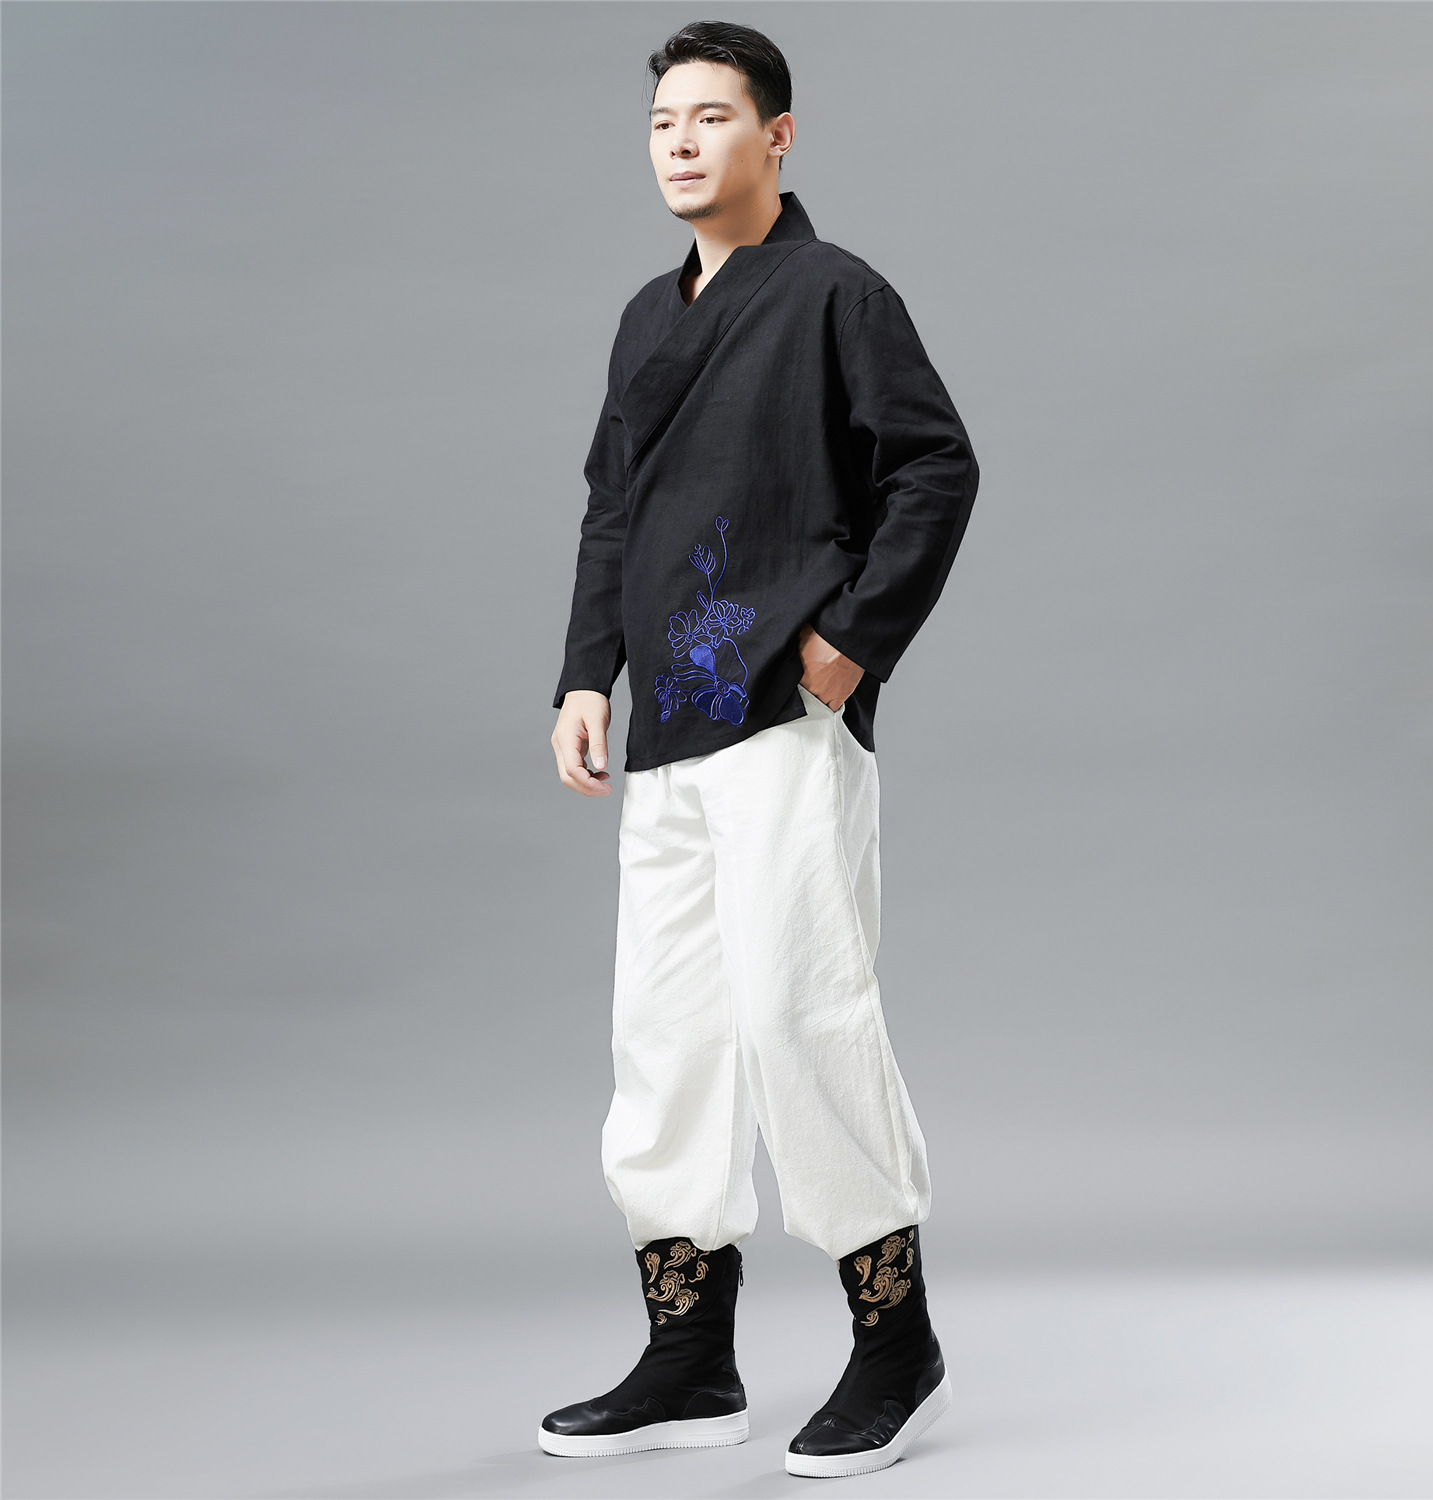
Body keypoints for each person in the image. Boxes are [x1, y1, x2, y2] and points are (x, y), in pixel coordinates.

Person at [542, 20, 979, 1480]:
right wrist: (586, 673)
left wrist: (850, 642)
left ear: (777, 136)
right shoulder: (642, 317)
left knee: (802, 1008)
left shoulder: (838, 292)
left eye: (712, 116)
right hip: (666, 723)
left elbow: (935, 465)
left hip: (784, 713)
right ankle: (689, 1357)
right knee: (664, 1034)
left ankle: (894, 1341)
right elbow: (612, 506)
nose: (679, 142)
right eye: (662, 120)